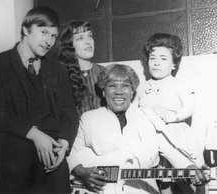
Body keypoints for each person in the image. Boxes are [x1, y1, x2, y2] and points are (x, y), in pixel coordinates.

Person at [67, 64, 210, 194]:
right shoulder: (89, 118)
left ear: (132, 92)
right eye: (112, 86)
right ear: (103, 91)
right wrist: (83, 172)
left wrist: (190, 167)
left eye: (125, 86)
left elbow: (170, 148)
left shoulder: (147, 115)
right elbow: (70, 153)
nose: (119, 92)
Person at [0, 6, 79, 194]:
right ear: (26, 29)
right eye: (44, 32)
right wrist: (34, 133)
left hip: (52, 153)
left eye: (53, 36)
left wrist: (64, 143)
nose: (49, 41)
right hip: (12, 151)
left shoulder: (58, 70)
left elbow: (70, 111)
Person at [134, 33, 201, 193]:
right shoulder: (141, 87)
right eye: (152, 58)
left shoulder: (179, 84)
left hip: (177, 138)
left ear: (174, 64)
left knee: (190, 180)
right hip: (153, 141)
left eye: (163, 58)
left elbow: (189, 108)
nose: (156, 63)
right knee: (163, 182)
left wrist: (173, 117)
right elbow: (135, 113)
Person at [52, 20, 104, 115]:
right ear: (69, 44)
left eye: (90, 36)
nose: (88, 42)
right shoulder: (61, 76)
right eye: (80, 38)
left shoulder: (105, 72)